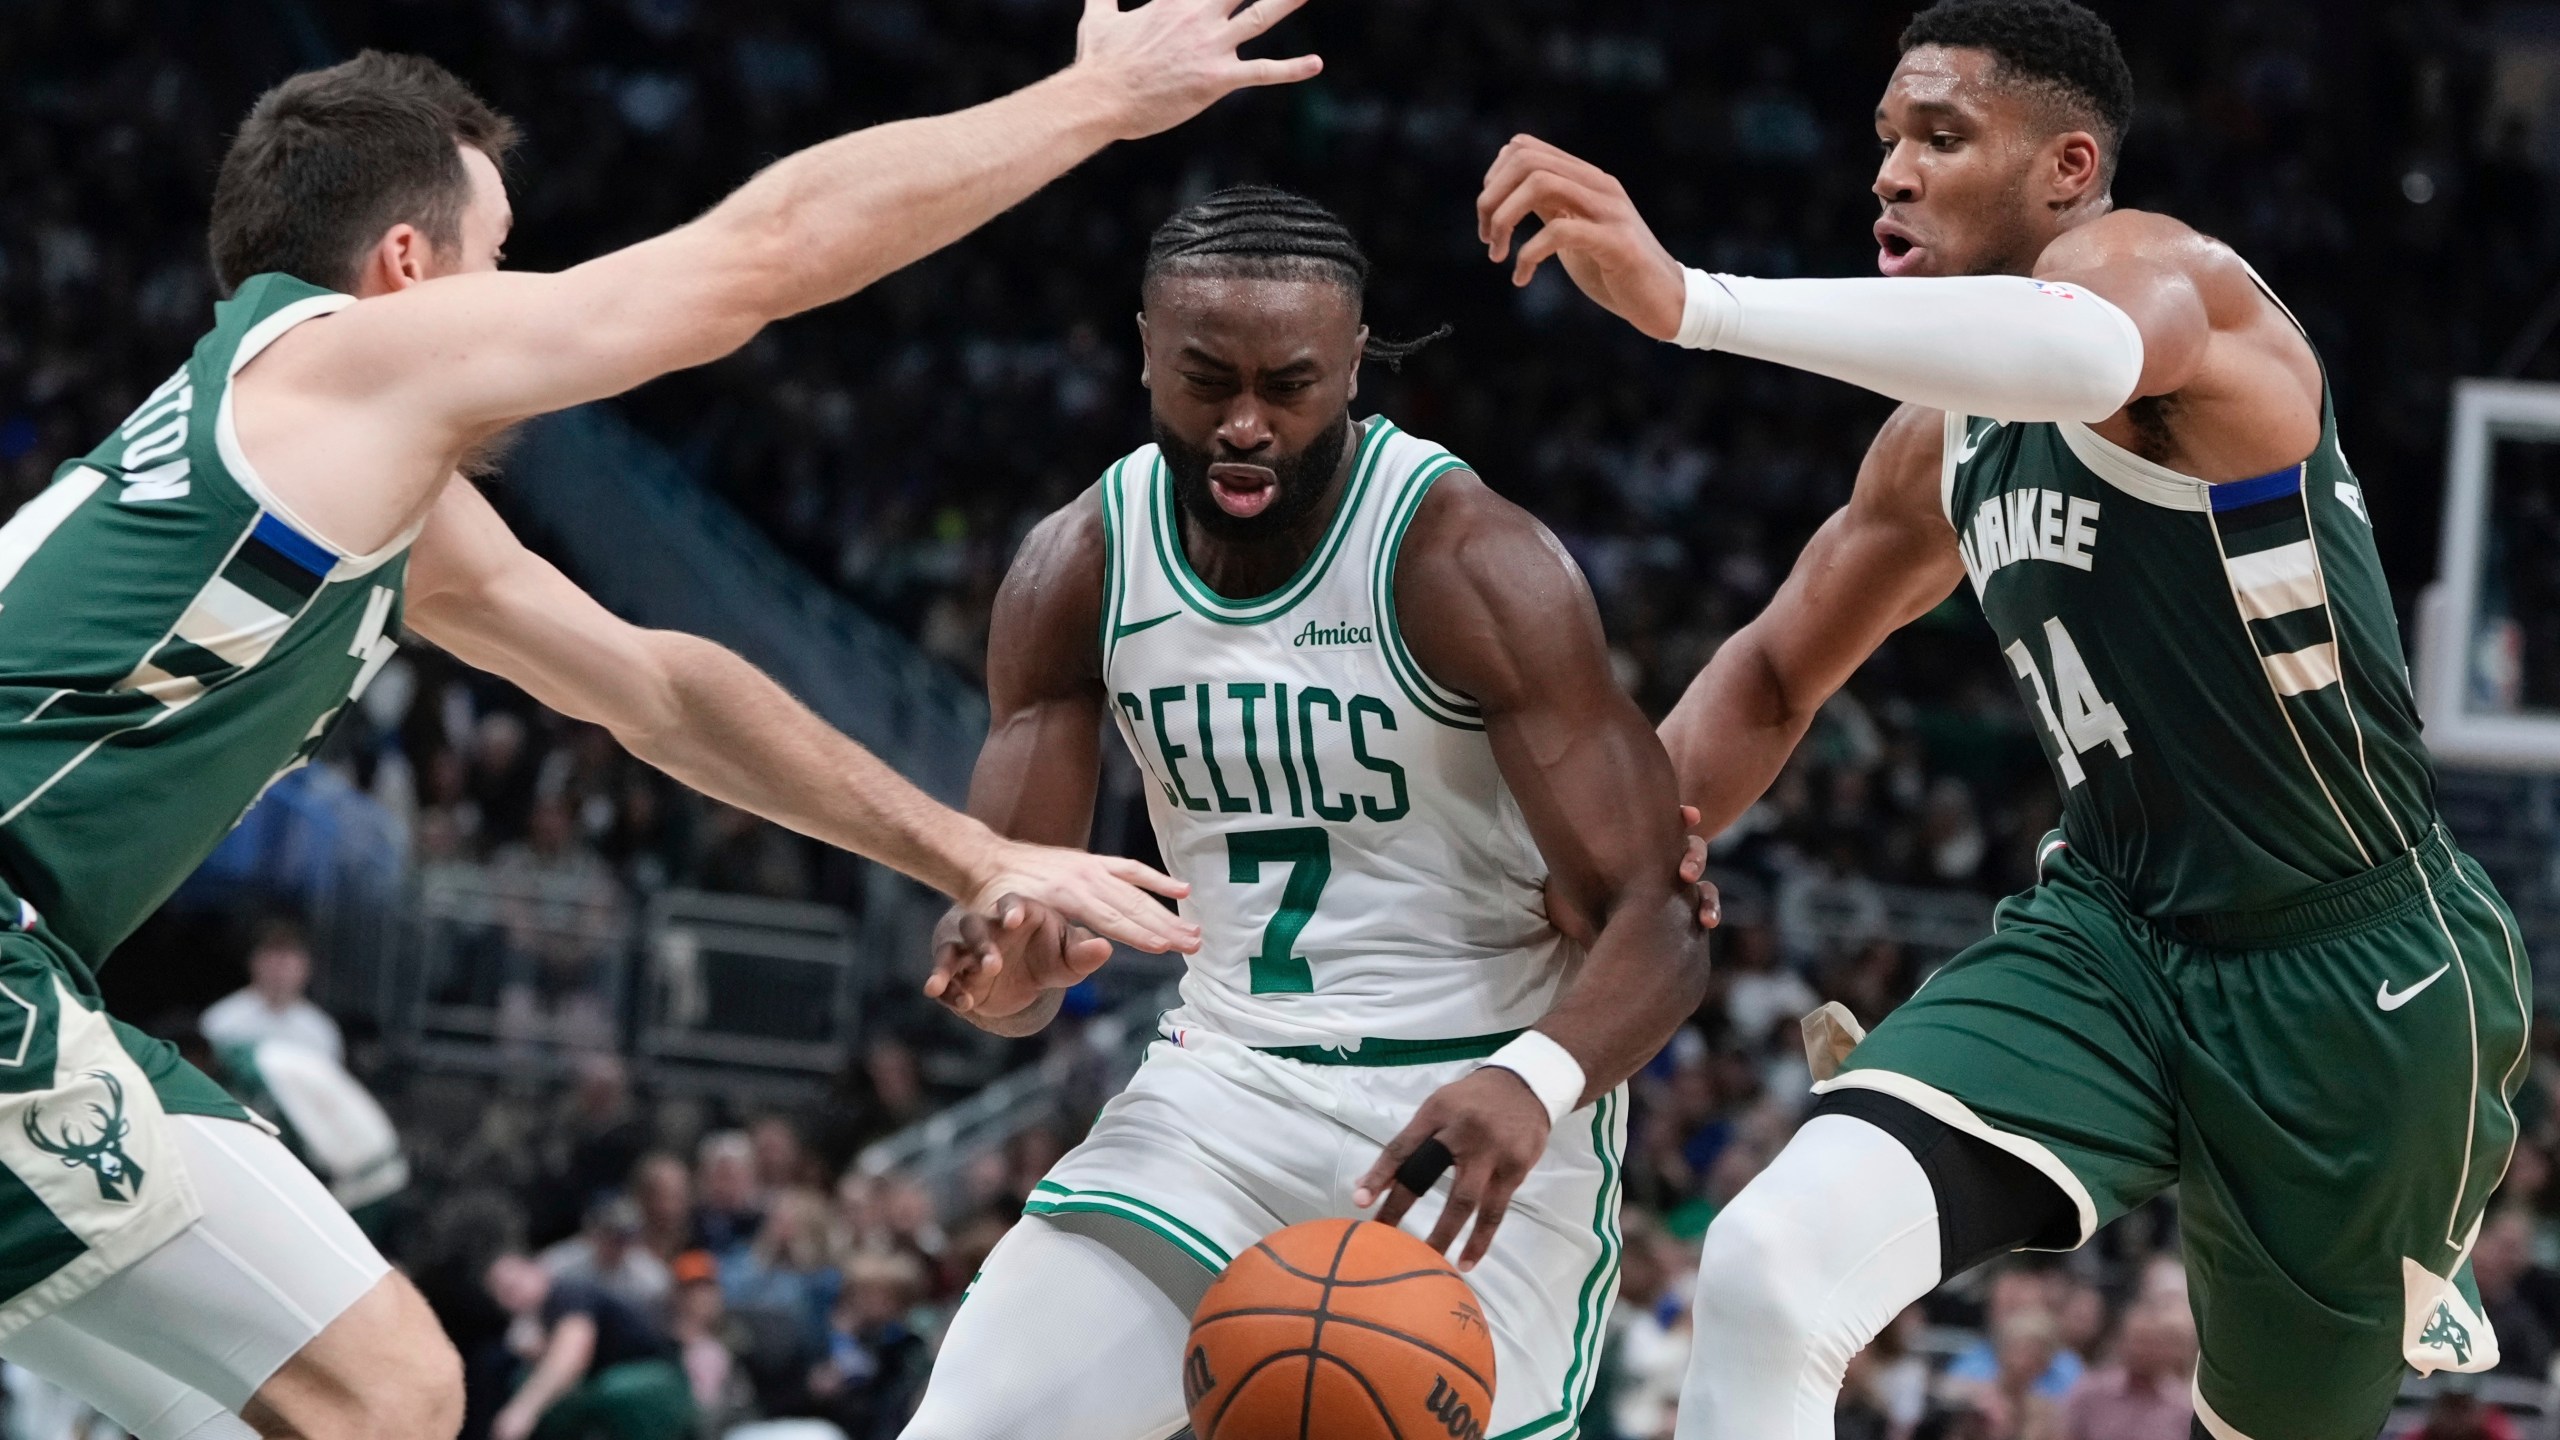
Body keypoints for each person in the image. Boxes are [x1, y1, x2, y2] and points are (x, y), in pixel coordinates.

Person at [0, 4, 1322, 1437]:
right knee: (386, 1392)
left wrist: (972, 856)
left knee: (279, 1406)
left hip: (44, 971)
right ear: (408, 270)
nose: (511, 290)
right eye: (497, 258)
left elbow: (658, 692)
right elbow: (751, 264)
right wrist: (1094, 101)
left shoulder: (340, 485)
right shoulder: (343, 363)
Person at [1477, 0, 2533, 1435]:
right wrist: (1613, 866)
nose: (1889, 174)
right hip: (2108, 936)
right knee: (1772, 1266)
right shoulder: (1938, 441)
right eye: (1886, 141)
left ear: (2068, 167)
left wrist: (1692, 302)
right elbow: (1779, 668)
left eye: (1941, 136)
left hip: (2350, 974)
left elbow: (2089, 354)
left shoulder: (2173, 282)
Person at [898, 188, 1713, 1439]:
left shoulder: (1465, 559)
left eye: (1288, 387)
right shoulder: (1079, 567)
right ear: (1141, 352)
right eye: (1204, 379)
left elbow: (1657, 918)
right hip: (1217, 1096)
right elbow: (1018, 965)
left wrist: (1533, 1082)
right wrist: (1010, 977)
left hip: (1473, 1118)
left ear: (1350, 367)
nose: (1244, 424)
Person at [484, 1254, 692, 1440]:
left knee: (612, 1390)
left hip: (656, 1380)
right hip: (617, 1382)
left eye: (515, 1284)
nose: (512, 1295)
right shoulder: (540, 1320)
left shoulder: (567, 1292)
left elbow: (573, 1354)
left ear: (536, 1270)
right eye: (503, 1293)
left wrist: (523, 1410)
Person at [198, 916, 343, 1063]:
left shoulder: (321, 1030)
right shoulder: (221, 1020)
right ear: (253, 961)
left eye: (288, 958)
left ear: (306, 966)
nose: (279, 966)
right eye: (271, 955)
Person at [2061, 1299, 2197, 1440]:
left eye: (2154, 1343)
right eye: (2138, 1341)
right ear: (2121, 1343)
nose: (2144, 1351)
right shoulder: (2089, 1394)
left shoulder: (2184, 1408)